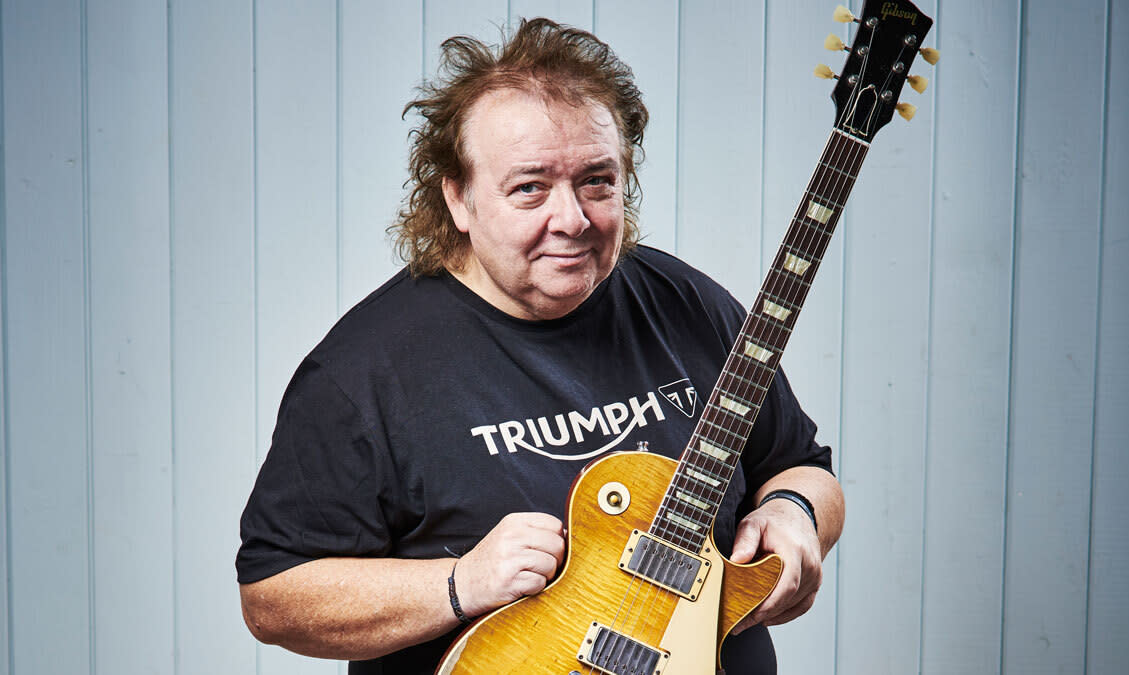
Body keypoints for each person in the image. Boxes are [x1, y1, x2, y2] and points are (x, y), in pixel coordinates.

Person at [237, 17, 844, 675]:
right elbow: (273, 594)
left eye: (597, 180)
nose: (573, 219)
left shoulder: (689, 306)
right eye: (530, 187)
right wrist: (458, 582)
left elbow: (801, 462)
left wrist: (797, 510)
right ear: (458, 198)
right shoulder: (363, 372)